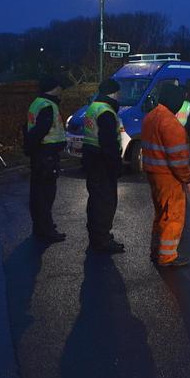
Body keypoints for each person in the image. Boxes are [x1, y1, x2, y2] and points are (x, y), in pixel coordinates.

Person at [142, 84, 190, 267]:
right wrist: (188, 180)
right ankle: (167, 256)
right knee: (172, 215)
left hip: (153, 173)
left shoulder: (151, 117)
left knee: (160, 214)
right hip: (168, 177)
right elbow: (179, 160)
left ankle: (156, 250)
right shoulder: (171, 124)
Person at [82, 79, 125, 253]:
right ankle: (102, 240)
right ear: (113, 93)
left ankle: (96, 236)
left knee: (95, 200)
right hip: (102, 163)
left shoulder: (94, 106)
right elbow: (109, 144)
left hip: (92, 159)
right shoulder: (106, 111)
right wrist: (116, 166)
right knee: (105, 202)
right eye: (118, 92)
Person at [24, 76, 67, 243]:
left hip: (40, 155)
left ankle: (40, 227)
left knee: (37, 193)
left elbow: (28, 129)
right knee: (45, 195)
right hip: (46, 155)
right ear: (54, 88)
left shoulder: (37, 102)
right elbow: (40, 131)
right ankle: (46, 230)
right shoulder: (48, 106)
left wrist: (29, 149)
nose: (62, 90)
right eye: (60, 87)